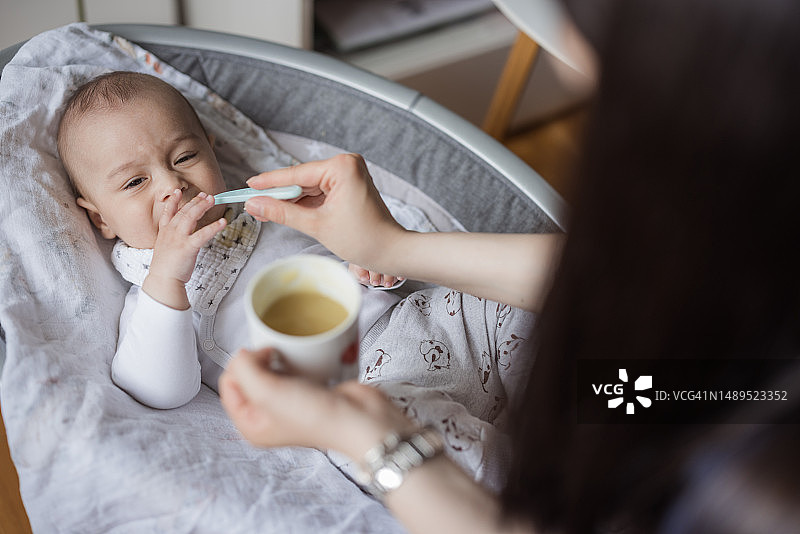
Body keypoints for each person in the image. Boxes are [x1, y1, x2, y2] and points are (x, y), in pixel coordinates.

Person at [219, 0, 800, 532]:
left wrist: (373, 442)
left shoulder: (753, 494)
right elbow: (651, 344)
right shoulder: (732, 312)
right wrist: (392, 247)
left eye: (584, 27)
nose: (567, 59)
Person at [56, 71, 403, 409]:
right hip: (343, 404)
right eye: (134, 182)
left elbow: (366, 246)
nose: (171, 186)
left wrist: (375, 263)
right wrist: (168, 278)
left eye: (185, 157)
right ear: (101, 218)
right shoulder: (153, 296)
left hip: (404, 325)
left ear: (212, 152)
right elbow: (161, 391)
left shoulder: (272, 209)